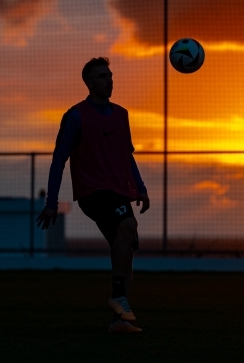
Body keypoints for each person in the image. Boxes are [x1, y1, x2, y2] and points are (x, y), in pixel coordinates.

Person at [36, 57, 149, 334]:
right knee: (128, 226)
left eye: (110, 76)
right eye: (101, 77)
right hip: (93, 192)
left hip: (118, 192)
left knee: (126, 249)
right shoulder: (75, 116)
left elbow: (127, 156)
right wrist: (51, 203)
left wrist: (141, 188)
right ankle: (117, 297)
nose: (108, 80)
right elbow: (58, 159)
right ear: (88, 83)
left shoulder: (122, 115)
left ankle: (119, 321)